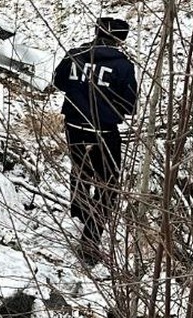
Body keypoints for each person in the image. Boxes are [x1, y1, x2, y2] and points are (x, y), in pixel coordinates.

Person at [53, 17, 138, 265]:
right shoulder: (123, 66)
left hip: (74, 124)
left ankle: (79, 209)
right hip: (104, 130)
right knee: (109, 185)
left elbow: (59, 82)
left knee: (80, 167)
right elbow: (129, 105)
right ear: (120, 40)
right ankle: (90, 240)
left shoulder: (74, 55)